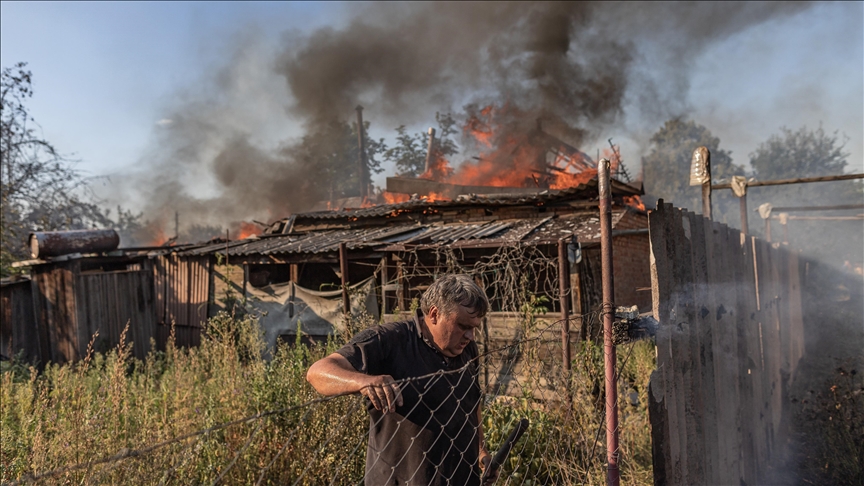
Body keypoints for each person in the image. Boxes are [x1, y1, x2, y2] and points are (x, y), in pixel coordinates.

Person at [306, 274, 498, 485]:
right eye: (462, 326)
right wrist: (362, 381)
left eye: (474, 328)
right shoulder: (390, 341)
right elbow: (318, 371)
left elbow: (471, 403)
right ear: (434, 314)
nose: (471, 336)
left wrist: (480, 451)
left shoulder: (467, 349)